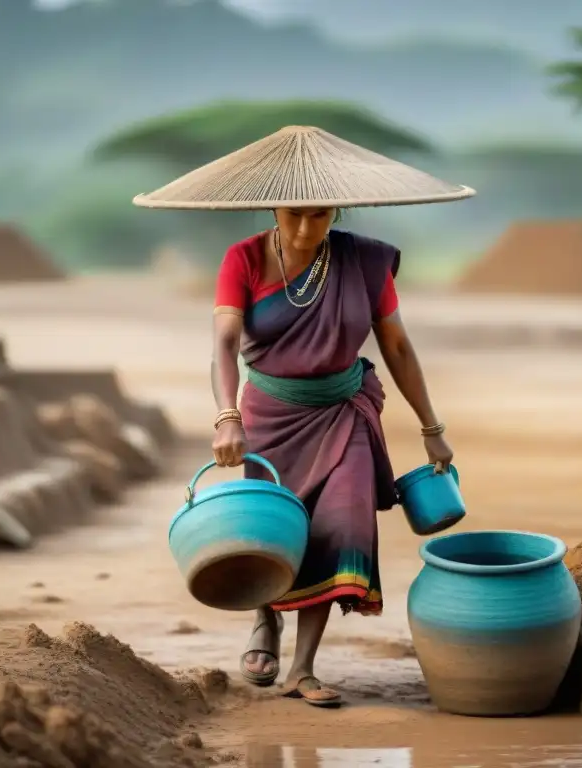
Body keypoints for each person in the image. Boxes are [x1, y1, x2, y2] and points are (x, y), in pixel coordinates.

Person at [132, 125, 476, 708]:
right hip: (267, 417)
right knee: (273, 529)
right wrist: (225, 416)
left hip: (343, 412)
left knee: (338, 525)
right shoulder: (241, 259)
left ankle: (302, 666)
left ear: (335, 211)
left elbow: (396, 348)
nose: (303, 228)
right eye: (292, 214)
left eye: (319, 216)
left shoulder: (365, 262)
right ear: (272, 206)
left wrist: (431, 429)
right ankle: (265, 620)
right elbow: (223, 341)